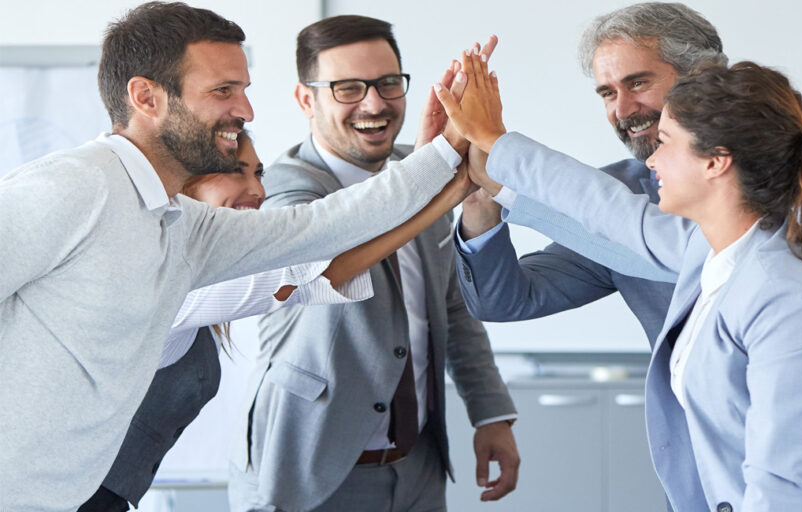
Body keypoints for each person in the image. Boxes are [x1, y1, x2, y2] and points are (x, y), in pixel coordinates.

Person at [0, 3, 464, 510]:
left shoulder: (180, 223)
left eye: (243, 89)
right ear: (146, 97)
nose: (246, 111)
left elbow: (321, 231)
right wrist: (440, 163)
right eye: (223, 91)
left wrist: (439, 162)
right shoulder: (77, 185)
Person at [437, 51, 802, 510]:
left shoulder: (784, 293)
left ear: (716, 161)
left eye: (666, 142)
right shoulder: (715, 249)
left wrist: (495, 142)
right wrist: (495, 160)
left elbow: (780, 487)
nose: (651, 161)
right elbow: (606, 210)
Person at [79, 129, 476, 511]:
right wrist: (446, 189)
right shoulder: (172, 274)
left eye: (259, 173)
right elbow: (320, 267)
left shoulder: (199, 269)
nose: (257, 191)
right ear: (186, 183)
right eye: (236, 172)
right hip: (75, 492)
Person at [227, 16, 518, 512]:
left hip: (419, 467)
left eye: (387, 83)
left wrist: (491, 413)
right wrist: (432, 170)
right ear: (305, 100)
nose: (374, 104)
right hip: (308, 469)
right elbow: (333, 257)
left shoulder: (423, 168)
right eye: (348, 88)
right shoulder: (279, 189)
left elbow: (452, 306)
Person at [455, 2, 725, 347]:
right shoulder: (625, 187)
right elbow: (505, 301)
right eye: (608, 93)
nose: (622, 110)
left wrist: (500, 164)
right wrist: (481, 198)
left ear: (703, 77)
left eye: (638, 83)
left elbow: (674, 247)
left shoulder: (768, 172)